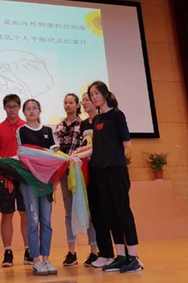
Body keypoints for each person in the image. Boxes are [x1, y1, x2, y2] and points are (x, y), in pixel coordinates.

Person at [87, 81, 143, 274]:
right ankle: (120, 256)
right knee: (109, 213)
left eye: (96, 93)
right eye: (91, 94)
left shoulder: (117, 115)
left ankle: (133, 257)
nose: (94, 97)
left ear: (105, 94)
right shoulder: (97, 119)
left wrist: (110, 150)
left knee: (122, 212)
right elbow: (96, 147)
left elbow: (126, 143)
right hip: (101, 171)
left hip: (116, 170)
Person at [53, 93, 100, 267]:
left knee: (87, 209)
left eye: (71, 102)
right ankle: (71, 251)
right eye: (65, 102)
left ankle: (94, 250)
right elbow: (55, 147)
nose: (68, 105)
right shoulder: (59, 126)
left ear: (77, 105)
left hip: (80, 171)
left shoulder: (83, 124)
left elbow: (85, 146)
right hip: (64, 172)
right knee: (68, 213)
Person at [71, 91, 115, 268]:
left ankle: (119, 253)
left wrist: (84, 152)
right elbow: (84, 145)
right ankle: (104, 254)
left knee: (107, 212)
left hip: (102, 170)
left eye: (87, 99)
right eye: (83, 100)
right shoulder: (83, 124)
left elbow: (100, 145)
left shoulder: (101, 120)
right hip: (87, 172)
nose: (84, 103)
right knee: (95, 213)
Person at [16, 99, 58, 277]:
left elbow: (55, 157)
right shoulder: (21, 131)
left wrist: (54, 180)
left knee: (46, 220)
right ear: (24, 112)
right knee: (33, 221)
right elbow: (22, 155)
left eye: (34, 108)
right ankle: (36, 260)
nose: (31, 111)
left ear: (40, 111)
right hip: (29, 181)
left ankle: (46, 258)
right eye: (28, 108)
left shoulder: (48, 131)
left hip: (46, 181)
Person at [0, 93, 30, 267]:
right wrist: (7, 166)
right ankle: (8, 251)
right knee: (7, 214)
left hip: (24, 177)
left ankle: (28, 250)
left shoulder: (26, 127)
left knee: (25, 213)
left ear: (19, 107)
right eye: (9, 107)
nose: (12, 110)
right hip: (4, 177)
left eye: (14, 106)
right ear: (4, 108)